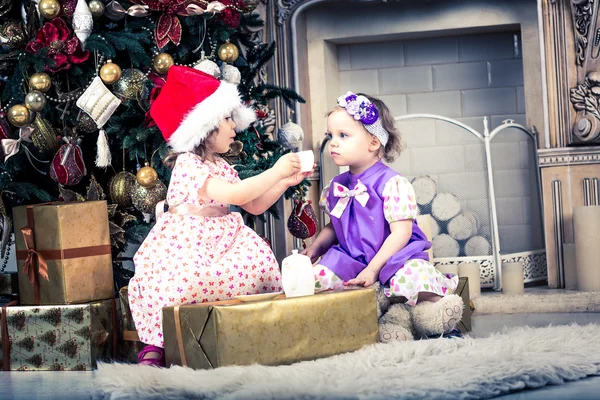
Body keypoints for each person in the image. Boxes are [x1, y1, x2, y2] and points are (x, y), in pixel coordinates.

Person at [129, 66, 311, 366]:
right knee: (179, 283)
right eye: (227, 118)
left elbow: (253, 205)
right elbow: (236, 196)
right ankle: (159, 344)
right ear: (205, 127)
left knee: (257, 268)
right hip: (188, 245)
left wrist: (283, 183)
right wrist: (275, 169)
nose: (233, 126)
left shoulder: (222, 165)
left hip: (224, 241)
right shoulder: (189, 164)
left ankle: (245, 333)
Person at [302, 91, 463, 342]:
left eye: (343, 135)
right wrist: (315, 248)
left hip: (393, 257)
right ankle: (364, 321)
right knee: (313, 282)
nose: (333, 142)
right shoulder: (336, 185)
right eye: (330, 135)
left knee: (414, 277)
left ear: (374, 142)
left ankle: (431, 315)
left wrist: (374, 269)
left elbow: (402, 233)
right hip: (351, 256)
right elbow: (334, 227)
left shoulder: (391, 183)